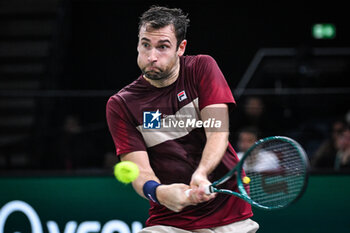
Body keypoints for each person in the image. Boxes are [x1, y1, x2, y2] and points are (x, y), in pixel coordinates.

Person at [106, 6, 259, 232]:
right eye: (145, 44)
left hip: (228, 215)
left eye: (163, 47)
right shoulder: (121, 105)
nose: (151, 56)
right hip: (171, 220)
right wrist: (158, 192)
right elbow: (141, 173)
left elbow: (217, 132)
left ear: (181, 48)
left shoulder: (202, 68)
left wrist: (201, 172)